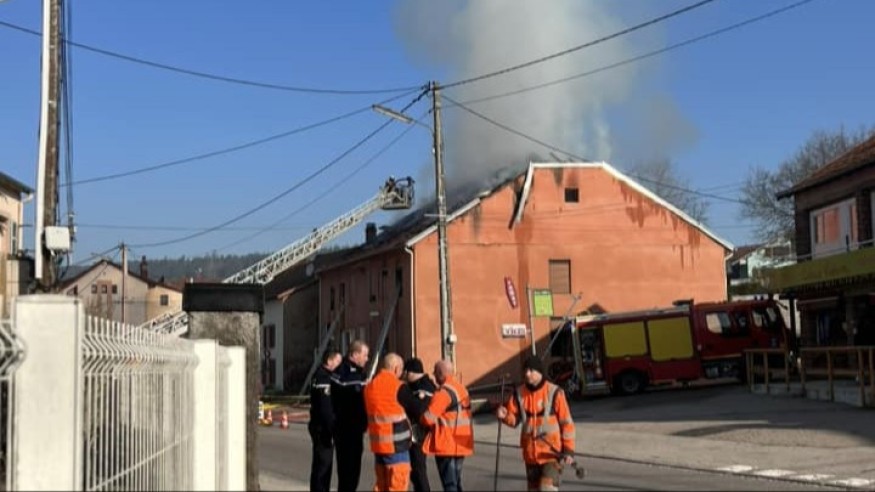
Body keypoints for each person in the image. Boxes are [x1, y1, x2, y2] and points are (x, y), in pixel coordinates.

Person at [496, 355, 576, 491]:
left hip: (551, 454)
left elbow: (566, 423)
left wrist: (568, 450)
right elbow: (514, 420)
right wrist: (504, 416)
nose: (527, 374)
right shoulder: (519, 394)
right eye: (525, 370)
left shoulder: (554, 392)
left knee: (547, 488)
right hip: (530, 455)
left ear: (540, 371)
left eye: (531, 370)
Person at [363, 353, 425, 491]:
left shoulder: (370, 387)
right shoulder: (398, 387)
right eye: (401, 370)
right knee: (397, 485)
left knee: (382, 486)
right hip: (397, 446)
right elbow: (417, 409)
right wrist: (421, 398)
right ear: (396, 368)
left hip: (379, 446)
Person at [420, 360, 473, 492]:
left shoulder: (443, 393)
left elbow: (428, 419)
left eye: (435, 372)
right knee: (456, 483)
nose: (433, 374)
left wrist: (420, 417)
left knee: (450, 485)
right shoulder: (462, 389)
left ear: (440, 373)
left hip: (446, 444)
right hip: (460, 443)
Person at [330, 340, 370, 492]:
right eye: (364, 355)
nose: (367, 359)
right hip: (345, 431)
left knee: (354, 473)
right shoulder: (341, 374)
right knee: (346, 473)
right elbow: (336, 402)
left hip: (357, 431)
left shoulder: (361, 374)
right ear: (354, 354)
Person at [308, 350, 342, 492]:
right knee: (323, 467)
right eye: (338, 362)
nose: (340, 365)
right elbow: (326, 409)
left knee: (320, 466)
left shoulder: (318, 375)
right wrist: (333, 430)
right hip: (323, 430)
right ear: (329, 361)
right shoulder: (324, 379)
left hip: (318, 427)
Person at [404, 357, 437, 492]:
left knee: (418, 470)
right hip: (415, 432)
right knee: (415, 471)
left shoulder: (423, 388)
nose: (404, 376)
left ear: (410, 372)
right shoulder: (418, 385)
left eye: (406, 373)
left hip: (419, 433)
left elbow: (418, 410)